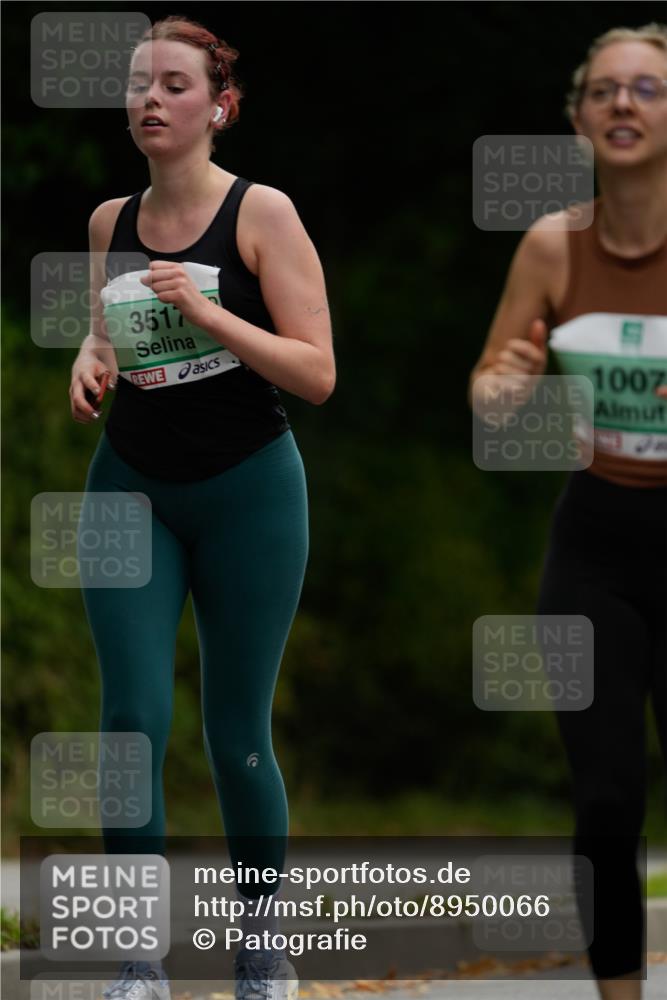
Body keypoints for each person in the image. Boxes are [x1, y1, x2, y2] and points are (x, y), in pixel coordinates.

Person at [70, 15, 335, 1000]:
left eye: (173, 84)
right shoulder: (109, 223)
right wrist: (89, 363)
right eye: (138, 83)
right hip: (130, 486)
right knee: (131, 718)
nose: (148, 99)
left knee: (236, 730)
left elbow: (318, 374)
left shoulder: (263, 214)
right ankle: (139, 959)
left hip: (249, 493)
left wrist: (213, 311)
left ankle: (262, 945)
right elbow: (106, 339)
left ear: (218, 105)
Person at [469, 23, 666, 1000]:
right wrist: (506, 388)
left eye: (647, 88)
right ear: (580, 116)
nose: (624, 103)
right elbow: (492, 386)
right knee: (606, 797)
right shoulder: (552, 242)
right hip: (593, 545)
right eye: (604, 90)